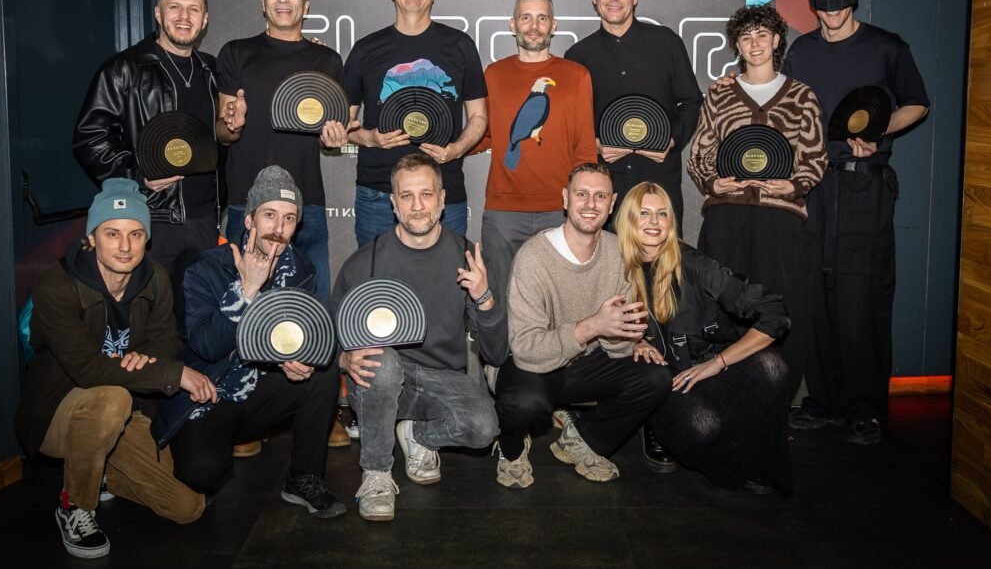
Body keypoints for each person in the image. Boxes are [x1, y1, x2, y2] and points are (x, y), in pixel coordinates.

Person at [784, 0, 930, 445]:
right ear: (812, 2)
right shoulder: (800, 52)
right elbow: (791, 116)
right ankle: (823, 401)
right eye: (824, 9)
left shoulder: (887, 47)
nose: (833, 17)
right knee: (816, 295)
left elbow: (917, 103)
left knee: (861, 298)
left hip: (865, 189)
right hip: (815, 188)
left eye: (841, 7)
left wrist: (879, 133)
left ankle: (865, 407)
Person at [15, 178, 212, 559]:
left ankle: (98, 468)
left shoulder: (154, 278)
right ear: (92, 238)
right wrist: (171, 373)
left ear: (146, 239)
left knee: (187, 507)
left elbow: (166, 342)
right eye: (112, 234)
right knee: (110, 398)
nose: (125, 246)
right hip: (58, 412)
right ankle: (75, 506)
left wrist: (149, 359)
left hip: (126, 410)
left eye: (135, 234)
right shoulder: (57, 284)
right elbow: (87, 370)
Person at [152, 166, 346, 518]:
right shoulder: (206, 267)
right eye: (269, 215)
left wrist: (295, 358)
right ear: (249, 220)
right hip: (209, 393)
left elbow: (304, 335)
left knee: (324, 368)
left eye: (289, 218)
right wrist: (247, 290)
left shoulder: (301, 270)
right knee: (202, 472)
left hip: (260, 390)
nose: (278, 228)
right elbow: (207, 347)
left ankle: (304, 478)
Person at [334, 153, 507, 522]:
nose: (417, 206)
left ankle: (419, 435)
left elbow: (495, 352)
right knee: (381, 360)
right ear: (393, 203)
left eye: (426, 194)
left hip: (441, 380)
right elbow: (330, 336)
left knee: (484, 428)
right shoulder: (364, 263)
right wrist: (343, 359)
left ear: (442, 200)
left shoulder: (468, 259)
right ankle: (376, 472)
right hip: (382, 383)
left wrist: (484, 298)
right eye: (407, 196)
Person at [493, 163, 670, 488]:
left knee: (656, 376)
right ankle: (511, 450)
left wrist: (626, 335)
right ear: (565, 198)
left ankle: (581, 441)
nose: (591, 204)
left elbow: (617, 347)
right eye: (582, 194)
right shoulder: (534, 257)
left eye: (600, 196)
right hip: (535, 365)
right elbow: (526, 349)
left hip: (588, 362)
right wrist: (592, 326)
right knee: (525, 403)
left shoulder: (619, 253)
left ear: (612, 203)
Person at [614, 181, 793, 493]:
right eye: (643, 213)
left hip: (702, 366)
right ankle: (655, 423)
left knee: (772, 366)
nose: (654, 222)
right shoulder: (611, 264)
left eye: (662, 214)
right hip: (659, 378)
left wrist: (718, 363)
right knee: (703, 425)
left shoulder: (692, 263)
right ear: (627, 219)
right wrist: (632, 341)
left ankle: (753, 452)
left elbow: (773, 312)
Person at [687, 3, 826, 395]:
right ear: (737, 45)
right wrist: (713, 184)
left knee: (779, 308)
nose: (755, 43)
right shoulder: (720, 95)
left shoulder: (801, 96)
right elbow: (699, 155)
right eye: (745, 37)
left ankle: (776, 402)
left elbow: (815, 157)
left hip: (779, 219)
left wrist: (794, 185)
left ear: (777, 40)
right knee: (723, 309)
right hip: (726, 217)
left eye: (762, 34)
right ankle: (725, 398)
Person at [73, 0, 220, 322]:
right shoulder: (124, 69)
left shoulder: (212, 70)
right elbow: (89, 137)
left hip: (204, 218)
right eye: (174, 7)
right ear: (158, 13)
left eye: (193, 9)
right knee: (148, 318)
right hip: (150, 217)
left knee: (197, 317)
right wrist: (138, 176)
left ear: (205, 19)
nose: (183, 16)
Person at [216, 0, 351, 304]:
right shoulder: (235, 53)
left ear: (306, 4)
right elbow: (223, 133)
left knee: (312, 307)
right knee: (240, 303)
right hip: (246, 202)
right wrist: (231, 124)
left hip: (306, 205)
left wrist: (334, 140)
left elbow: (331, 140)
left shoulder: (328, 61)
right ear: (263, 2)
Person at [344, 0, 488, 246]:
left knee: (449, 273)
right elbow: (342, 123)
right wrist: (370, 138)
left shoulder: (460, 45)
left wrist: (456, 149)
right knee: (375, 274)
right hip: (379, 193)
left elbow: (479, 116)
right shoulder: (365, 49)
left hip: (443, 191)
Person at [472, 0, 597, 301]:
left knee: (562, 303)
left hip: (560, 211)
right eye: (525, 17)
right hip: (504, 211)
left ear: (553, 25)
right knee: (499, 301)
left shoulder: (577, 75)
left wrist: (583, 203)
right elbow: (483, 134)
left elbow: (585, 147)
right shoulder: (494, 74)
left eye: (542, 18)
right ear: (512, 24)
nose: (534, 26)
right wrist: (444, 144)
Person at [565, 0, 702, 227]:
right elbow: (571, 122)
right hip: (605, 192)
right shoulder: (578, 56)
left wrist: (671, 140)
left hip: (659, 184)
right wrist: (595, 145)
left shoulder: (666, 43)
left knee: (662, 256)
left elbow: (692, 102)